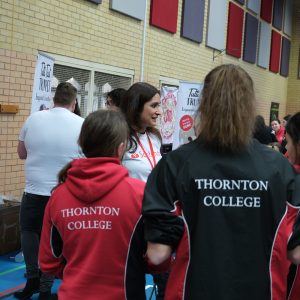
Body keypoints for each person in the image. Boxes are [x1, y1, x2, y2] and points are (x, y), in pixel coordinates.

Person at [142, 64, 300, 300]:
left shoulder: (175, 164)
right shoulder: (280, 168)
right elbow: (296, 253)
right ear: (249, 106)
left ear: (205, 104)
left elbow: (157, 255)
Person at [39, 110, 147, 300]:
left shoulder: (58, 196)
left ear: (82, 144)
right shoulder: (140, 193)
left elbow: (48, 262)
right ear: (121, 148)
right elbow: (157, 259)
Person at [15, 82, 84, 300]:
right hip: (64, 194)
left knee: (29, 234)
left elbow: (21, 153)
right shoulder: (82, 123)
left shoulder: (34, 118)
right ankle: (45, 288)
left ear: (54, 100)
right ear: (74, 103)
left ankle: (33, 281)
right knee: (56, 241)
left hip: (34, 191)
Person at [119, 82, 167, 298]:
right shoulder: (119, 138)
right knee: (132, 281)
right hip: (128, 222)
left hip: (155, 218)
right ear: (137, 105)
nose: (159, 111)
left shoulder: (155, 137)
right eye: (154, 105)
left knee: (165, 280)